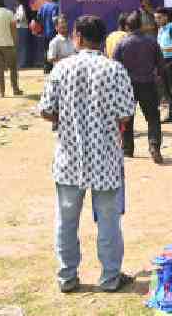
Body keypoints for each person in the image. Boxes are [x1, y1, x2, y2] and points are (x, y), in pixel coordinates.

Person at [38, 15, 136, 293]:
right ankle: (110, 277)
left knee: (66, 221)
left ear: (78, 37)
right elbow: (126, 113)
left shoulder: (61, 69)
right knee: (109, 222)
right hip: (105, 158)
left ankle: (67, 277)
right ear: (102, 39)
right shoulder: (114, 69)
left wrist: (67, 118)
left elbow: (45, 110)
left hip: (69, 158)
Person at [113, 10, 165, 163]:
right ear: (141, 25)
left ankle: (127, 149)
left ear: (127, 26)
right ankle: (154, 146)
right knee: (153, 117)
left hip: (127, 85)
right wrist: (158, 78)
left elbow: (114, 65)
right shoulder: (152, 41)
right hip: (148, 83)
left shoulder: (122, 43)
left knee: (127, 117)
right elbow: (161, 64)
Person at [39, 0, 60, 72]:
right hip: (54, 32)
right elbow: (54, 18)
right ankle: (53, 67)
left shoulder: (44, 6)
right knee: (54, 50)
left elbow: (38, 17)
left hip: (45, 32)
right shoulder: (56, 6)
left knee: (46, 50)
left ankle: (46, 67)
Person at [14, 0, 36, 68]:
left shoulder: (21, 7)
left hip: (22, 27)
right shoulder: (25, 6)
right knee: (25, 46)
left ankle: (23, 63)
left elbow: (20, 17)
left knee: (22, 47)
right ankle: (26, 62)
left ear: (18, 0)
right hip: (25, 27)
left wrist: (14, 20)